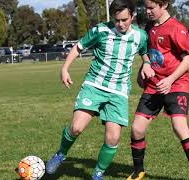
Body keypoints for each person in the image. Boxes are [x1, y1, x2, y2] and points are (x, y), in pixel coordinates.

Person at [45, 0, 155, 179]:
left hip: (118, 92)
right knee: (76, 127)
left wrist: (147, 63)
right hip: (95, 85)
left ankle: (98, 173)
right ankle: (60, 154)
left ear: (133, 16)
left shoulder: (140, 36)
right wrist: (65, 69)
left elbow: (143, 51)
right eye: (116, 20)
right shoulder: (101, 30)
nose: (120, 24)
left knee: (113, 139)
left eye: (124, 20)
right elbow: (78, 47)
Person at [126, 0, 189, 180]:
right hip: (153, 85)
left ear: (164, 6)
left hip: (177, 84)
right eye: (145, 7)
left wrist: (170, 80)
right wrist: (143, 69)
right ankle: (138, 170)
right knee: (137, 129)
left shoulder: (176, 28)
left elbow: (188, 60)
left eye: (151, 8)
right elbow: (147, 52)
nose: (147, 11)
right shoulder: (148, 28)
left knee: (179, 127)